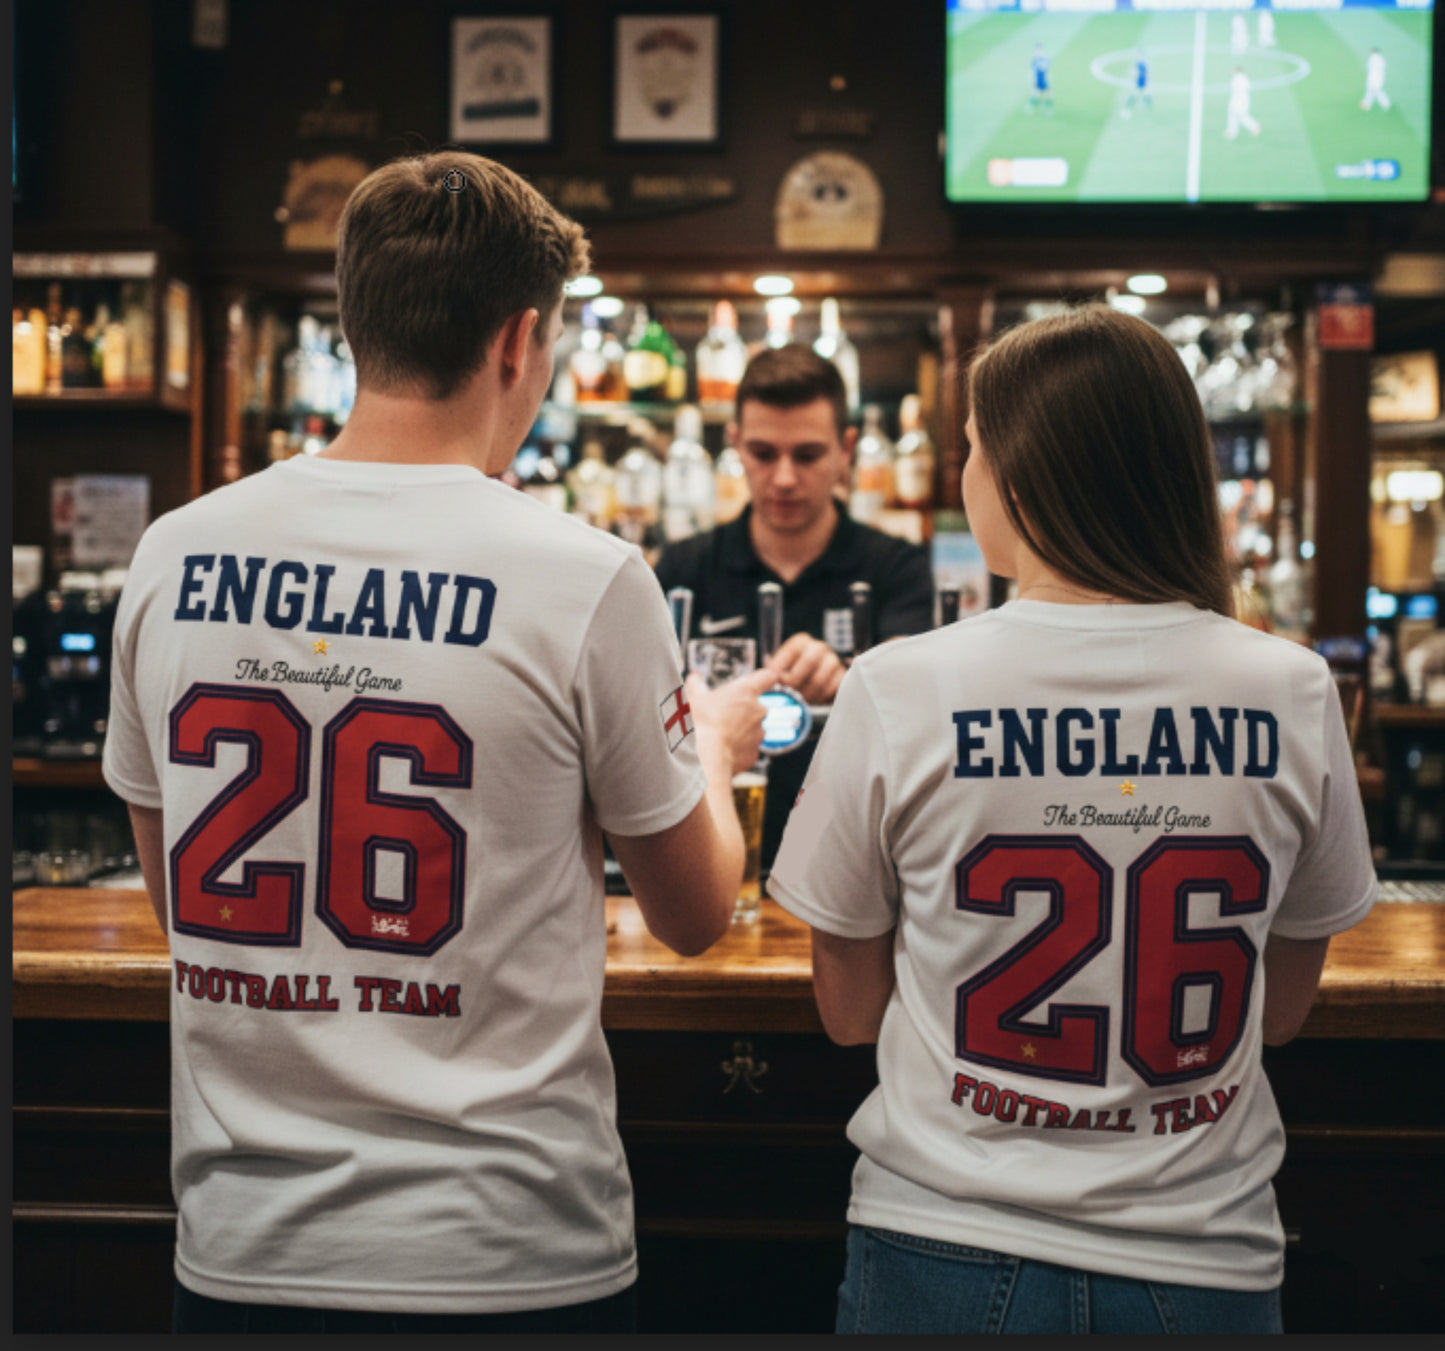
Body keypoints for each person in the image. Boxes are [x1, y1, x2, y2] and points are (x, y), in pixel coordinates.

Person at [101, 150, 772, 1334]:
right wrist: (714, 746)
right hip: (505, 1253)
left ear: (355, 323)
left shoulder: (174, 554)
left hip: (242, 1250)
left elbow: (181, 900)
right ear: (519, 342)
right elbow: (692, 913)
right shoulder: (587, 577)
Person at [768, 306, 1376, 1335]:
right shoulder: (1290, 688)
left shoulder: (898, 685)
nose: (960, 472)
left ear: (1019, 475)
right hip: (1199, 1253)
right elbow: (1275, 1012)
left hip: (941, 1238)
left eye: (968, 448)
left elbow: (845, 1011)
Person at [653, 345, 935, 867]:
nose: (784, 478)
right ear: (734, 444)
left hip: (854, 870)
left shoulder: (894, 567)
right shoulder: (683, 569)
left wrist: (853, 674)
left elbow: (919, 693)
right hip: (712, 865)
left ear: (846, 449)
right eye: (763, 454)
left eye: (807, 455)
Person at [1226, 66, 1261, 140]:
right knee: (1233, 114)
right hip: (1243, 98)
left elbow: (1233, 88)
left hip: (1238, 99)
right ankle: (1232, 131)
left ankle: (1254, 126)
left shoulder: (1236, 78)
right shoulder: (1244, 78)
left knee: (1240, 116)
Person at [1121, 47, 1151, 119]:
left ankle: (1127, 109)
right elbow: (1133, 72)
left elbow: (1134, 72)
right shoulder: (1140, 63)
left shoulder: (1142, 62)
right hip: (1139, 82)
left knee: (1142, 93)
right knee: (1136, 95)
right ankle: (1126, 109)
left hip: (1142, 81)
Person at [1361, 47, 1390, 112]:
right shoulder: (1381, 58)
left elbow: (1367, 67)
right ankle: (1366, 104)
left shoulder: (1372, 58)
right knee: (1371, 90)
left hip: (1373, 77)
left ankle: (1386, 104)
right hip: (1380, 77)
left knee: (1376, 91)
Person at [1027, 43, 1053, 115]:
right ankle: (1030, 108)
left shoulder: (1045, 58)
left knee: (1047, 93)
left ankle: (1048, 109)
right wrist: (1031, 77)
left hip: (1043, 78)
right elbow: (1032, 69)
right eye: (1036, 50)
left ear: (1041, 50)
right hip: (1037, 78)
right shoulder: (1035, 59)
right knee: (1034, 93)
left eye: (1038, 50)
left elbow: (1046, 69)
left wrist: (1048, 78)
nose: (1036, 52)